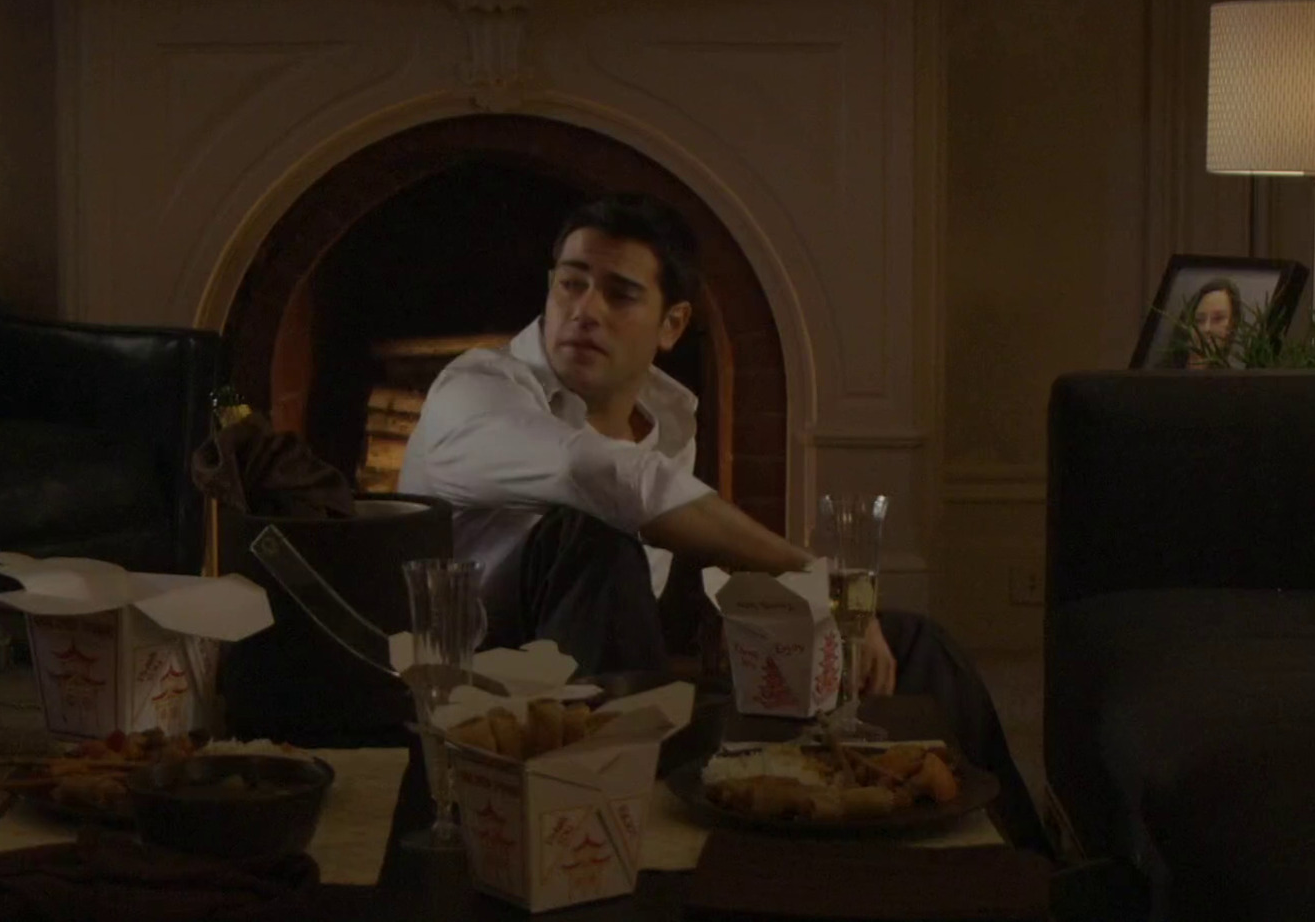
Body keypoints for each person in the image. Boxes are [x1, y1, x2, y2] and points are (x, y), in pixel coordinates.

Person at [398, 192, 1050, 853]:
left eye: (620, 294)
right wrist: (815, 574)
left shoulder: (668, 423)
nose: (585, 310)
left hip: (627, 680)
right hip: (488, 693)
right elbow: (594, 474)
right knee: (591, 536)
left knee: (914, 648)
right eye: (571, 283)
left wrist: (788, 623)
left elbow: (646, 599)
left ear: (672, 324)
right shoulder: (475, 387)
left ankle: (1031, 868)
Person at [1158, 277, 1243, 369]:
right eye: (1199, 320)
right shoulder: (1162, 372)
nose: (1206, 328)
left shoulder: (1234, 375)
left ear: (1232, 324)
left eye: (1218, 319)